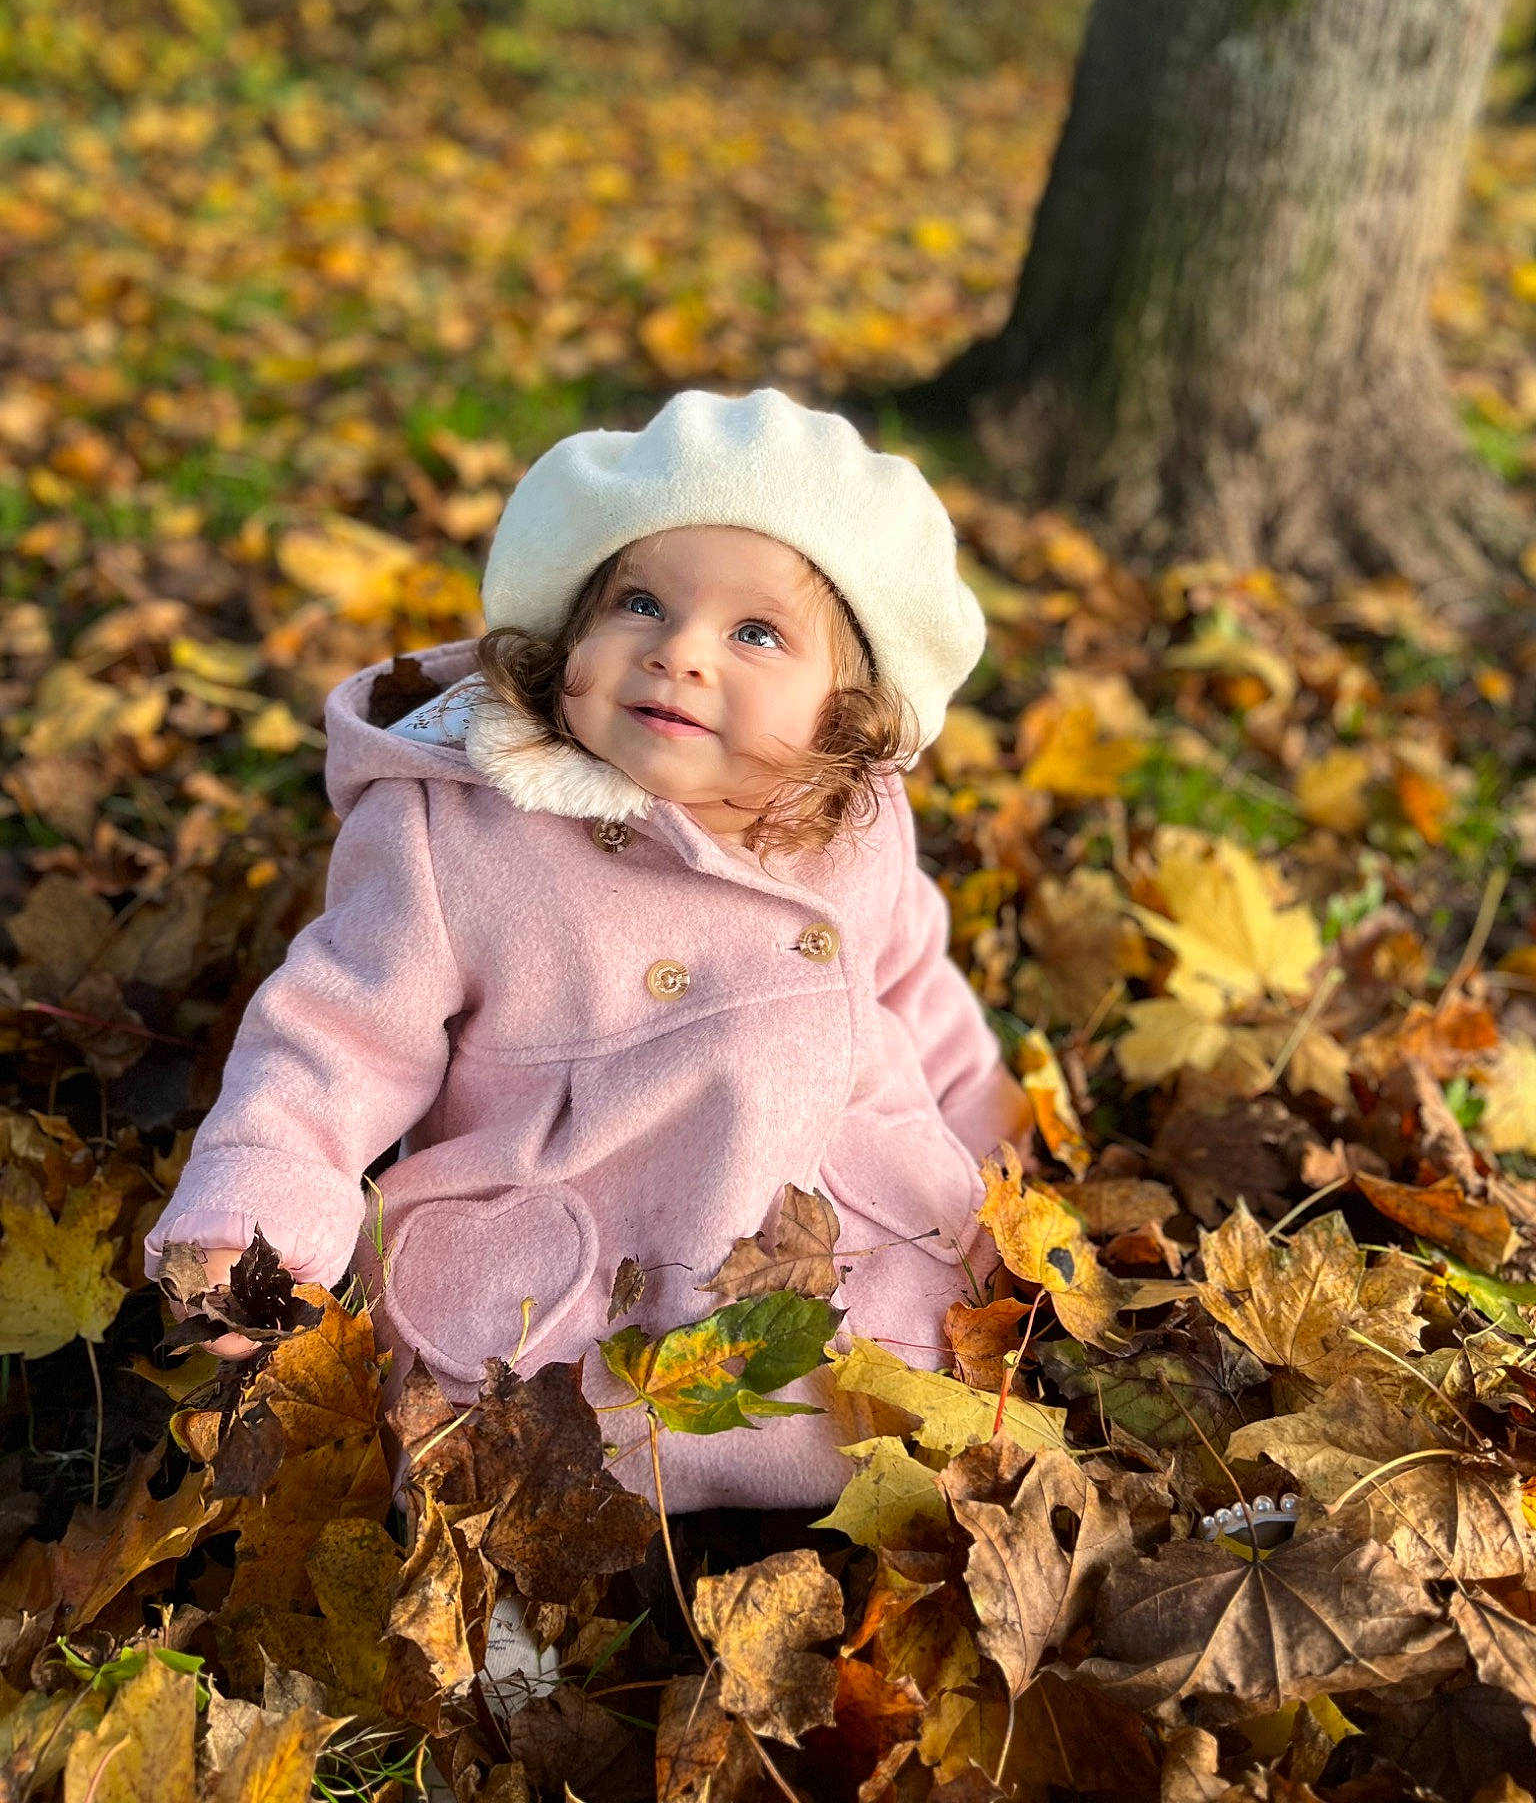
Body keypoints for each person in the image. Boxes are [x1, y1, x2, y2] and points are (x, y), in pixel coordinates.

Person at [145, 385, 1035, 1514]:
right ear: (569, 631)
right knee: (512, 1457)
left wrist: (986, 1130)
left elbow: (908, 985)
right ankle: (524, 1576)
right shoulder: (463, 832)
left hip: (825, 1235)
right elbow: (336, 1034)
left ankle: (874, 1516)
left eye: (756, 632)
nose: (680, 653)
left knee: (914, 1412)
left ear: (846, 710)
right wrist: (256, 1218)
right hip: (570, 1262)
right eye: (641, 603)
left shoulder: (850, 823)